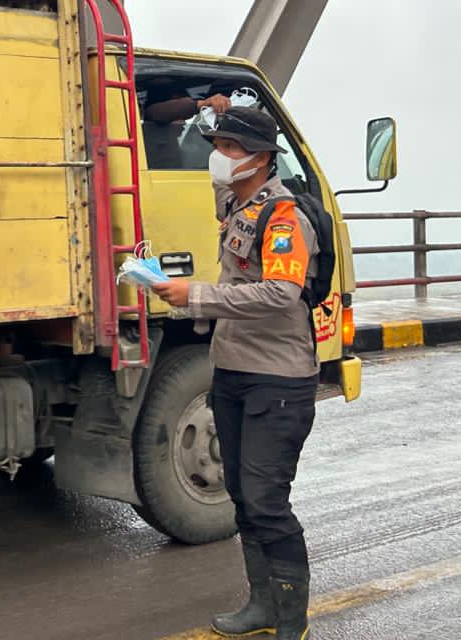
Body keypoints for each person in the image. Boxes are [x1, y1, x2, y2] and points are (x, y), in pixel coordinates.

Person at [152, 107, 318, 640]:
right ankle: (261, 605)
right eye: (217, 146)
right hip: (233, 372)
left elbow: (281, 292)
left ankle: (291, 619)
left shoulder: (284, 217)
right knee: (243, 496)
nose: (218, 158)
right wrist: (207, 111)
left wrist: (194, 296)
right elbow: (215, 181)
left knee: (267, 502)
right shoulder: (235, 203)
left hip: (278, 380)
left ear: (262, 158)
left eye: (230, 148)